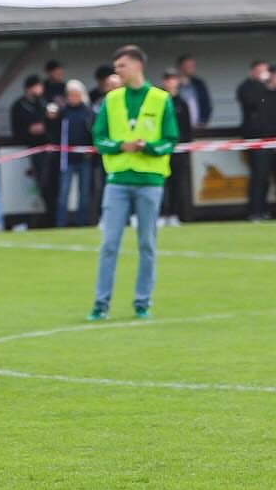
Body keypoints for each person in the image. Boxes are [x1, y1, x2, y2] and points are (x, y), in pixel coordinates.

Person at [88, 45, 178, 322]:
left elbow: (170, 140)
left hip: (150, 181)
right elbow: (98, 138)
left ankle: (142, 302)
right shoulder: (111, 99)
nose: (117, 71)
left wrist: (147, 147)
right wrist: (119, 145)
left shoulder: (161, 99)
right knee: (109, 244)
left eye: (122, 66)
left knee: (147, 244)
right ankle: (100, 304)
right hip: (117, 181)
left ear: (138, 65)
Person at [10, 74, 58, 226]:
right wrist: (29, 131)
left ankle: (55, 217)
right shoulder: (19, 106)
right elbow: (16, 130)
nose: (40, 90)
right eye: (37, 87)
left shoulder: (45, 103)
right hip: (35, 149)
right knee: (43, 184)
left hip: (52, 149)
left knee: (54, 183)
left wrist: (50, 121)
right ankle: (48, 218)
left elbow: (57, 125)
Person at [55, 81, 96, 228]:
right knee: (63, 191)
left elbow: (93, 132)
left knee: (84, 192)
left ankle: (82, 221)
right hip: (66, 158)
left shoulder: (88, 112)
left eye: (75, 95)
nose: (72, 98)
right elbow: (54, 130)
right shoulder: (63, 112)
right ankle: (60, 222)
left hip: (84, 157)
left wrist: (91, 150)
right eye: (70, 95)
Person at [159, 68, 193, 228]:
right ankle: (161, 214)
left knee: (177, 184)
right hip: (162, 149)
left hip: (179, 150)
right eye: (167, 79)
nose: (170, 82)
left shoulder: (182, 103)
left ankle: (174, 214)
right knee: (161, 184)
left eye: (173, 79)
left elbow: (187, 128)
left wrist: (186, 146)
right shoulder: (159, 101)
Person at [246, 68, 276, 222]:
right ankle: (256, 212)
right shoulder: (257, 91)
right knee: (260, 179)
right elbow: (249, 101)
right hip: (261, 143)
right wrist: (260, 83)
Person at [174, 54, 212, 130]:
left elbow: (207, 104)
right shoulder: (174, 85)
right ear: (181, 67)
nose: (193, 68)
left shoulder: (199, 84)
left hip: (198, 128)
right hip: (179, 129)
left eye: (193, 65)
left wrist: (203, 121)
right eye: (189, 65)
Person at [237, 60, 271, 138]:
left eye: (266, 71)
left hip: (270, 130)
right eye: (261, 71)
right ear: (252, 72)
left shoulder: (269, 86)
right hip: (254, 131)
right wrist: (261, 84)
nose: (264, 74)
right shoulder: (245, 87)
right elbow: (253, 103)